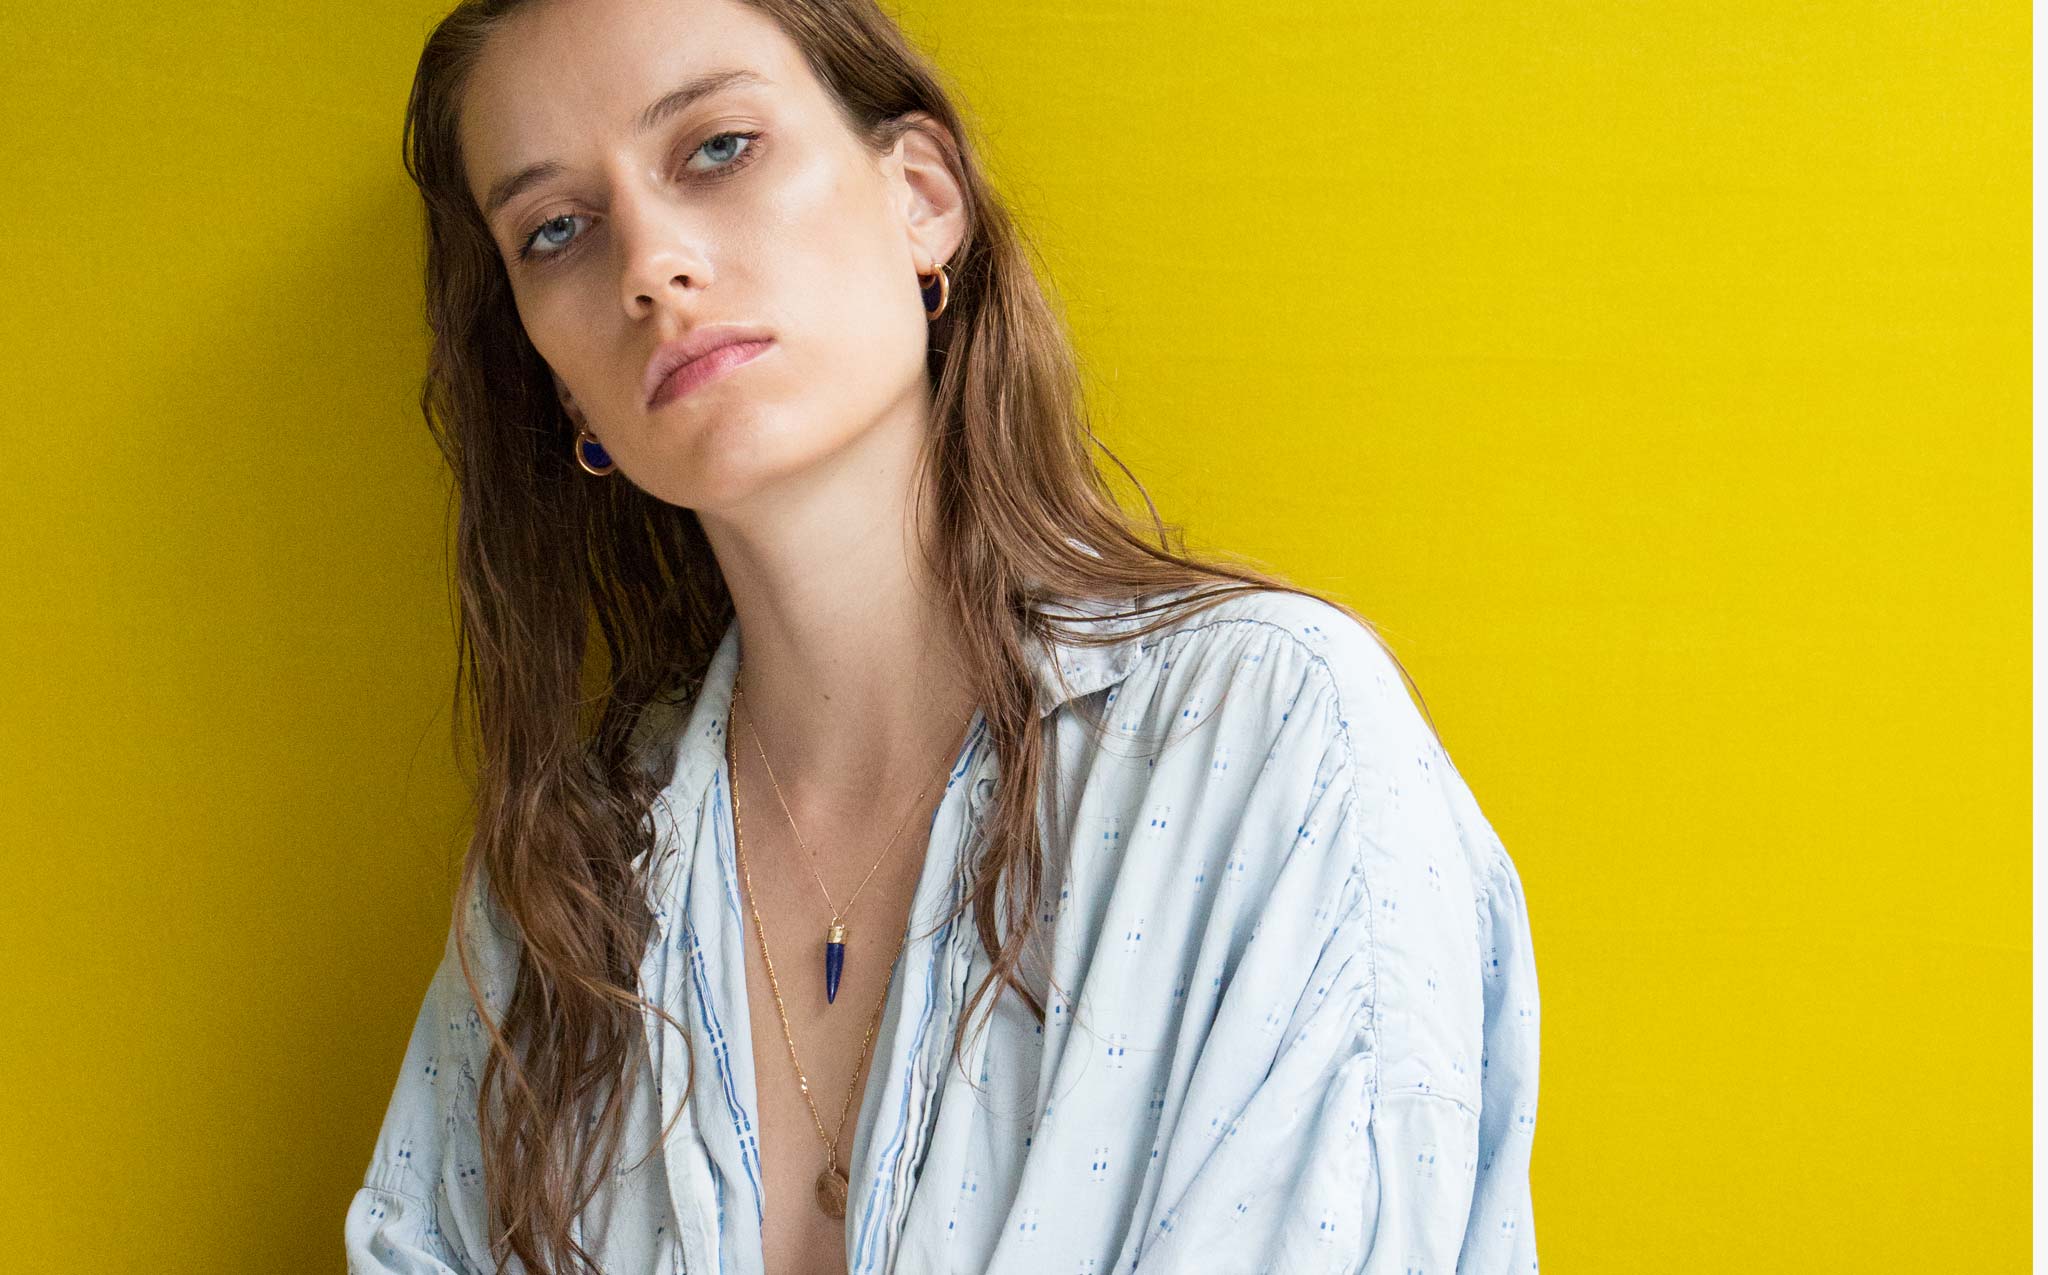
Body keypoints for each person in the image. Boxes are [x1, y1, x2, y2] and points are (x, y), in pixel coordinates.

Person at [344, 0, 1542, 1271]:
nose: (648, 264)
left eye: (716, 149)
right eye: (556, 230)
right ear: (557, 381)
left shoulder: (1268, 738)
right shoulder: (559, 885)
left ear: (919, 196)